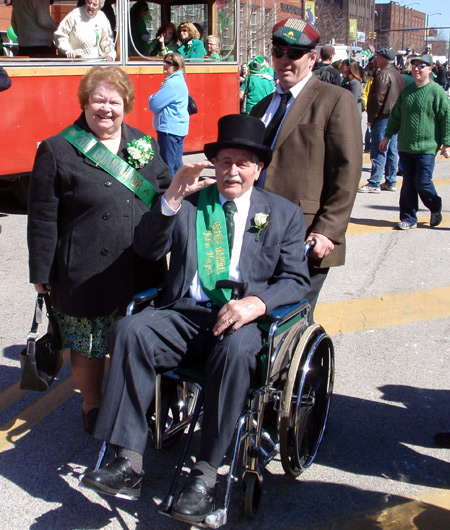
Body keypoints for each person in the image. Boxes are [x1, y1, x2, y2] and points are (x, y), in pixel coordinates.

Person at [80, 114, 310, 522]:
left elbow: (295, 280)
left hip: (243, 323)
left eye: (242, 163)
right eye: (224, 161)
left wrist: (257, 304)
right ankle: (128, 460)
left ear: (259, 169)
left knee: (236, 351)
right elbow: (147, 249)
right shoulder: (188, 203)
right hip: (185, 315)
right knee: (130, 329)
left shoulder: (284, 213)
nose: (232, 171)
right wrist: (170, 197)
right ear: (213, 165)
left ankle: (204, 476)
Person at [27, 66, 171, 435]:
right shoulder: (57, 149)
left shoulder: (144, 144)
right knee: (88, 345)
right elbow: (43, 217)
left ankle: (138, 401)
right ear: (84, 103)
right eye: (98, 100)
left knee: (137, 341)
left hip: (140, 267)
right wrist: (41, 273)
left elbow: (165, 193)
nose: (106, 108)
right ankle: (92, 402)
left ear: (127, 105)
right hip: (84, 269)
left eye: (115, 101)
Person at [251, 18, 362, 317]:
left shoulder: (335, 100)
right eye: (279, 51)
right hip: (258, 232)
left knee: (291, 322)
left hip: (306, 235)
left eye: (294, 53)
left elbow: (347, 170)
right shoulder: (261, 107)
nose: (285, 60)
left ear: (312, 58)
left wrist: (328, 230)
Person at [379, 54, 450, 230]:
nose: (417, 69)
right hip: (406, 146)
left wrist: (446, 143)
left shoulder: (436, 91)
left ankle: (435, 206)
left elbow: (446, 118)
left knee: (423, 182)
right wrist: (387, 136)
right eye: (415, 66)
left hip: (427, 147)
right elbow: (396, 117)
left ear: (430, 69)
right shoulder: (407, 91)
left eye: (422, 66)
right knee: (408, 184)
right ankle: (409, 218)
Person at [359, 47, 404, 193]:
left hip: (383, 116)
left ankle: (374, 182)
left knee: (379, 149)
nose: (375, 60)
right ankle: (391, 180)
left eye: (377, 57)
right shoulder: (397, 74)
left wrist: (372, 117)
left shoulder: (383, 74)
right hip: (394, 117)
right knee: (392, 149)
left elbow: (377, 98)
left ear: (383, 59)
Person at [148, 52, 189, 178]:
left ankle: (169, 194)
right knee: (176, 165)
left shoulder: (172, 83)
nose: (165, 65)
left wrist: (151, 97)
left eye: (169, 63)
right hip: (178, 129)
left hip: (169, 130)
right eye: (164, 61)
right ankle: (179, 192)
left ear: (177, 66)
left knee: (167, 166)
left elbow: (154, 105)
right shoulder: (179, 80)